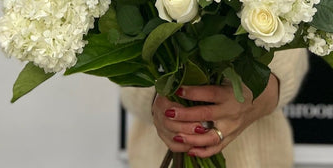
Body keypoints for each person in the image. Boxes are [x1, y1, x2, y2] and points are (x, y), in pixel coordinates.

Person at [120, 48, 308, 167]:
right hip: (153, 153)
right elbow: (126, 61)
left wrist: (260, 92)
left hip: (260, 155)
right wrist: (159, 99)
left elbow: (292, 46)